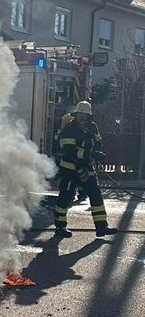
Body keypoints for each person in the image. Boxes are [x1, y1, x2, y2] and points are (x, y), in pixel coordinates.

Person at [54, 100, 117, 238]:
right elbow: (69, 151)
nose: (81, 118)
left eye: (85, 116)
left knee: (96, 195)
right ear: (75, 115)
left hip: (86, 169)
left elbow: (98, 143)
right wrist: (89, 154)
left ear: (89, 116)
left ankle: (102, 227)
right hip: (70, 170)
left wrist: (97, 154)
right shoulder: (69, 129)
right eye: (79, 115)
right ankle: (60, 227)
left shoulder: (92, 127)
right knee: (65, 198)